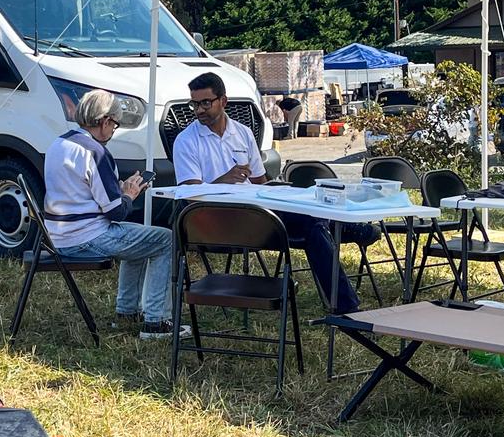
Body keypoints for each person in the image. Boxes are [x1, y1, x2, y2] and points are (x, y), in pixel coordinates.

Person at [173, 72, 377, 314]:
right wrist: (223, 181)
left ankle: (344, 304)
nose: (198, 110)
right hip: (221, 221)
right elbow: (189, 194)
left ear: (223, 101)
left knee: (313, 215)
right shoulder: (186, 141)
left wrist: (279, 189)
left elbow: (260, 181)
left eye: (205, 103)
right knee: (314, 225)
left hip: (258, 211)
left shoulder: (243, 133)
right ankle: (351, 239)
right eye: (194, 104)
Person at [44, 89, 189, 339]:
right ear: (104, 121)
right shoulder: (96, 152)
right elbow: (116, 212)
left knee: (143, 240)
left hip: (58, 236)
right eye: (115, 124)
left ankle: (127, 311)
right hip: (87, 237)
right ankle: (156, 321)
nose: (113, 130)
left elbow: (83, 192)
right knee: (165, 240)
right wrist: (129, 194)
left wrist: (119, 190)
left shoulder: (59, 143)